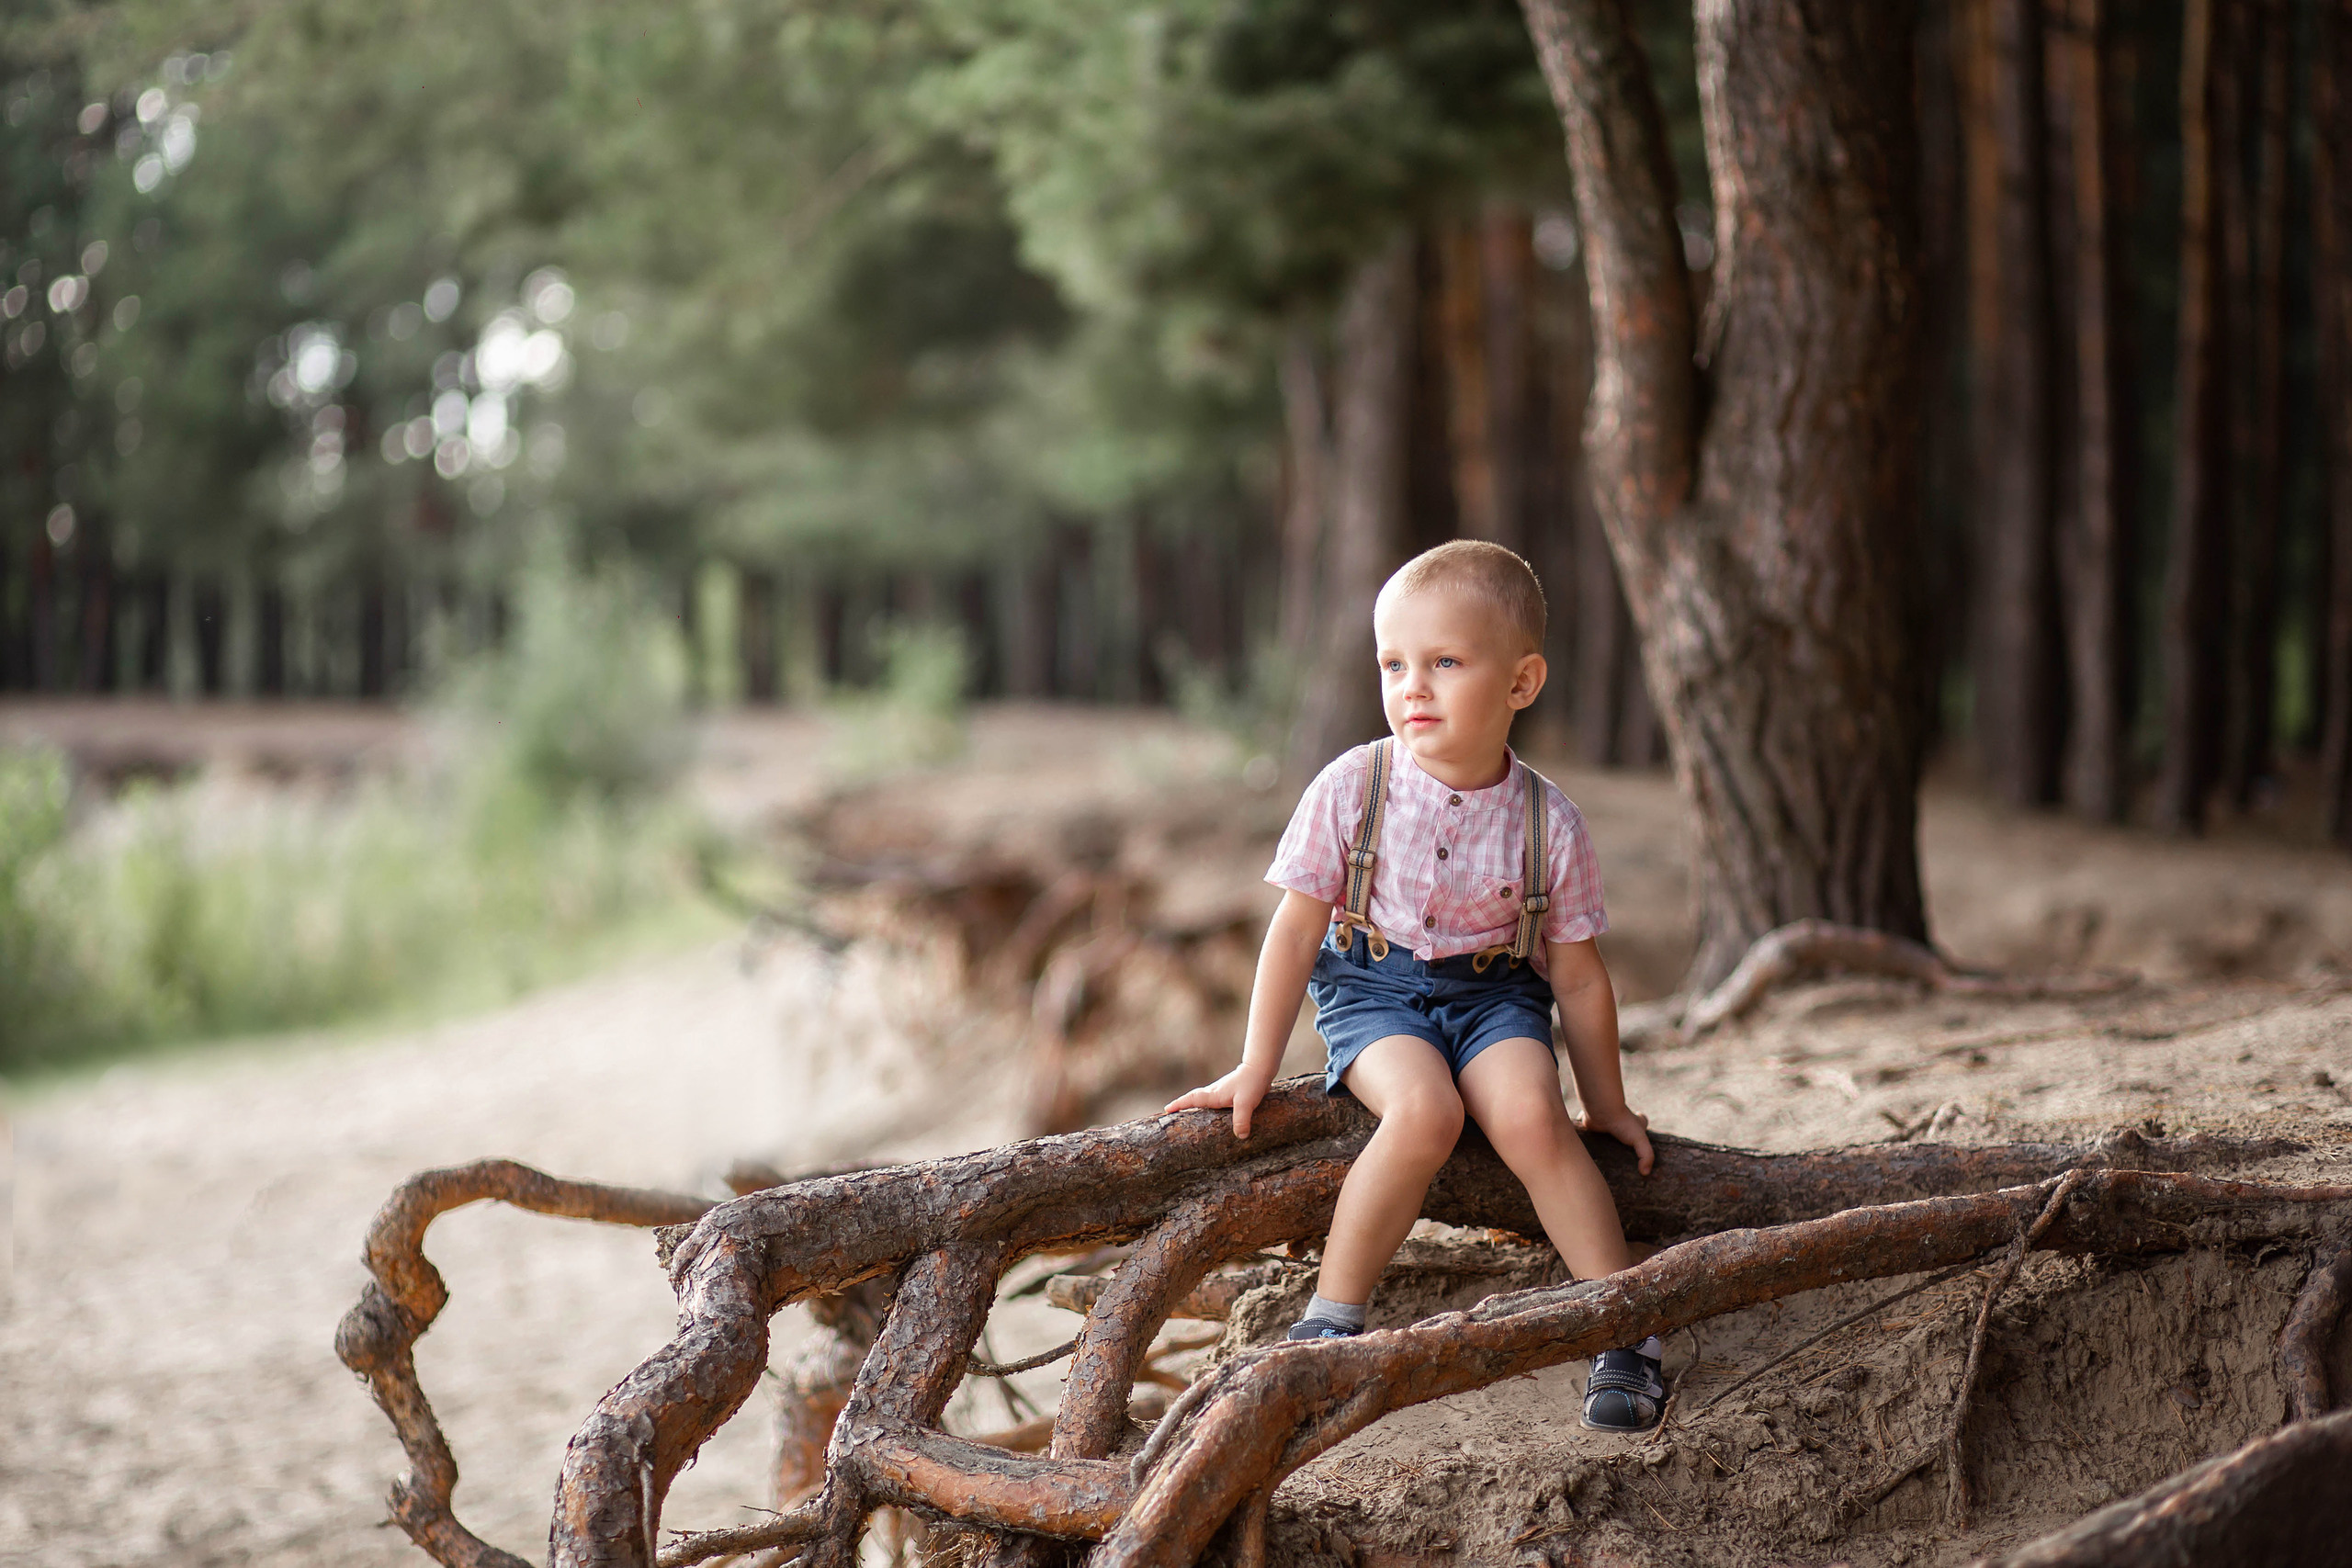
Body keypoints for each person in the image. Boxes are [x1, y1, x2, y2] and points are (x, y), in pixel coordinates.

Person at [1165, 538, 1666, 1433]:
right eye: (1394, 664)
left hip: (1495, 996)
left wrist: (1610, 1102)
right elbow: (1293, 934)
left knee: (1530, 1119)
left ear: (1520, 683)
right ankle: (1332, 1316)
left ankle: (1622, 1327)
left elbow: (1580, 982)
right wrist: (1253, 1066)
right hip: (1373, 991)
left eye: (1444, 662)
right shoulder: (1352, 787)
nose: (1413, 687)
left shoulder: (1549, 823)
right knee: (1424, 1114)